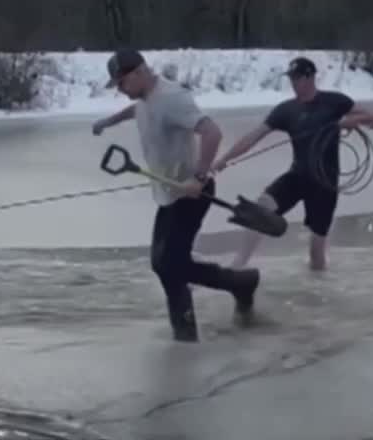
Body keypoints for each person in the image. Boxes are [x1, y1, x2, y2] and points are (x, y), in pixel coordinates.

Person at [92, 49, 260, 341]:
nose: (120, 90)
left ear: (139, 72)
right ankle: (240, 284)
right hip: (169, 193)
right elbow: (138, 111)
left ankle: (186, 335)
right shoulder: (143, 98)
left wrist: (198, 177)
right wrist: (109, 121)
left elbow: (212, 133)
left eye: (121, 83)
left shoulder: (172, 98)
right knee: (163, 263)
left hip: (191, 194)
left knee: (170, 266)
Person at [213, 57, 373, 271]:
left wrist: (348, 122)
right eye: (291, 79)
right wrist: (223, 160)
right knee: (262, 208)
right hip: (298, 176)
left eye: (297, 78)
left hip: (325, 184)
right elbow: (253, 136)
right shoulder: (286, 110)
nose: (293, 84)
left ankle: (319, 290)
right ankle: (237, 266)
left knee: (316, 255)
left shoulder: (335, 102)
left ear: (310, 77)